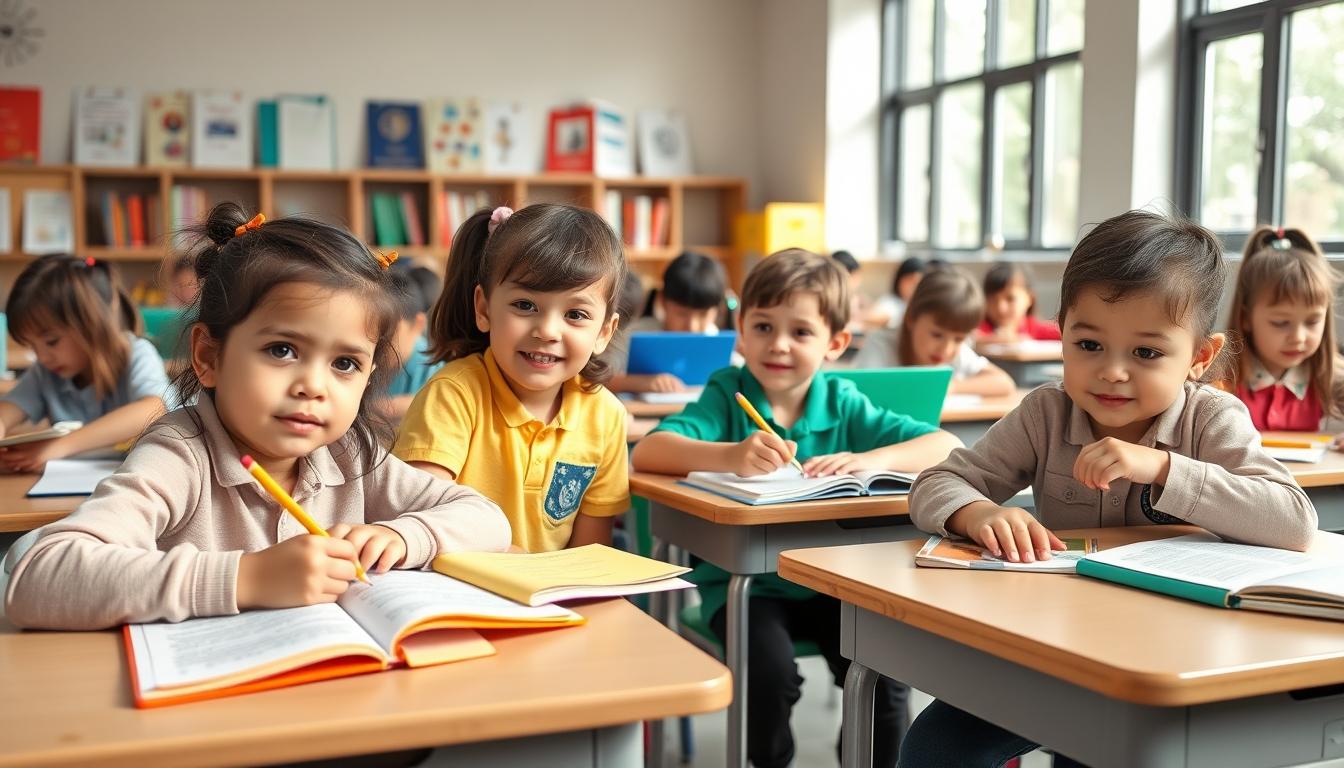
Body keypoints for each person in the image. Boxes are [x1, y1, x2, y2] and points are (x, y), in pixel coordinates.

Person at [899, 210, 1317, 768]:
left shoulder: (1212, 419)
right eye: (1089, 344)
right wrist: (974, 513)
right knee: (934, 747)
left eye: (1146, 353)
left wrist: (1164, 470)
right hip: (1057, 656)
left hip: (1175, 663)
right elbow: (937, 481)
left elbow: (1294, 519)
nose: (1112, 372)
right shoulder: (1045, 413)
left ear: (1199, 356)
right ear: (1062, 331)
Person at [3, 203, 510, 629]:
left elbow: (487, 519)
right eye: (283, 350)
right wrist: (249, 578)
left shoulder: (349, 453)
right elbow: (39, 575)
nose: (313, 385)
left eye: (345, 364)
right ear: (208, 356)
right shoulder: (181, 454)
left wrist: (402, 536)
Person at [632, 248, 962, 768]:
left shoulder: (843, 400)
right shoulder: (727, 392)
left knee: (887, 676)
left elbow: (942, 444)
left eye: (800, 332)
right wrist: (730, 454)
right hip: (748, 589)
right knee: (770, 674)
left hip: (835, 583)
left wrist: (866, 458)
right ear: (740, 330)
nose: (778, 345)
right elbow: (650, 450)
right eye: (763, 326)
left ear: (835, 342)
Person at [393, 204, 631, 553]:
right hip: (457, 594)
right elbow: (419, 523)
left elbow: (590, 555)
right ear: (484, 309)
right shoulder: (453, 395)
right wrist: (522, 565)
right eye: (525, 305)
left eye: (575, 314)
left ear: (604, 332)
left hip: (551, 600)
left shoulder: (606, 416)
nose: (548, 331)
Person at [0, 254, 169, 472]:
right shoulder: (46, 373)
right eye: (33, 347)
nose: (42, 357)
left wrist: (58, 446)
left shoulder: (137, 353)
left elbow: (153, 408)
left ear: (92, 324)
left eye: (52, 342)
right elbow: (8, 409)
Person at [1223, 225, 1344, 439]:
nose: (1298, 337)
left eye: (1312, 321)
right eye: (1280, 322)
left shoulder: (1332, 380)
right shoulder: (1220, 381)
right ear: (1246, 318)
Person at [853, 269, 1016, 396]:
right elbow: (862, 394)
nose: (946, 349)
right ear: (911, 318)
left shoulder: (957, 353)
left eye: (959, 339)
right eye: (937, 335)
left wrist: (949, 387)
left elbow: (1004, 382)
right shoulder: (880, 345)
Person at [608, 250, 731, 393]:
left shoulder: (715, 338)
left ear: (718, 309)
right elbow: (599, 379)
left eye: (703, 315)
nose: (692, 326)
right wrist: (641, 382)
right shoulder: (635, 334)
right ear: (662, 302)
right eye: (682, 313)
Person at [382, 267, 444, 420]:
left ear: (417, 325)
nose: (378, 344)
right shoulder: (367, 363)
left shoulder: (437, 371)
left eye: (388, 334)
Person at [976, 262, 1061, 342]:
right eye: (992, 300)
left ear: (1030, 299)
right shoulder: (981, 327)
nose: (1001, 308)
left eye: (1010, 299)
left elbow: (1065, 333)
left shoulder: (1034, 327)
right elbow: (971, 337)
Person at [866, 255, 926, 329]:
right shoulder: (890, 302)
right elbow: (873, 317)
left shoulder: (924, 306)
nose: (913, 286)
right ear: (899, 280)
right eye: (909, 280)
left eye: (917, 282)